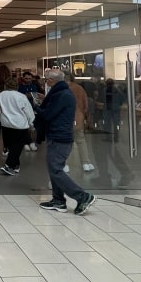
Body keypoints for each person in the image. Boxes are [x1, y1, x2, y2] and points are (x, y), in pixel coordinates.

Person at [37, 69, 96, 215]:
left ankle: (83, 197)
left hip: (60, 137)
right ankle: (58, 200)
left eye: (47, 79)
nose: (46, 82)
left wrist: (34, 105)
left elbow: (48, 114)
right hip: (58, 135)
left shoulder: (62, 94)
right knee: (54, 168)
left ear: (52, 80)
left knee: (56, 169)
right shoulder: (61, 93)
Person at [0, 78, 35, 175]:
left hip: (5, 124)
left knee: (11, 145)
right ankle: (9, 166)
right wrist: (32, 123)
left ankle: (16, 165)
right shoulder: (21, 96)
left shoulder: (1, 95)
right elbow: (29, 112)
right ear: (17, 87)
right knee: (17, 146)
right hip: (20, 125)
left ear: (5, 86)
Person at [66, 73, 94, 172]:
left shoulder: (62, 89)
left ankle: (65, 164)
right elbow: (86, 104)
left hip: (66, 119)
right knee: (81, 141)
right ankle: (86, 163)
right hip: (78, 118)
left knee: (66, 142)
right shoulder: (79, 88)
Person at [18, 71, 42, 151]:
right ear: (23, 78)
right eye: (26, 78)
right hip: (22, 110)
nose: (28, 80)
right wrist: (30, 95)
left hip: (32, 109)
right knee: (25, 127)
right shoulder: (20, 87)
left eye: (30, 79)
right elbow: (21, 97)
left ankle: (30, 142)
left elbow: (35, 97)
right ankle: (27, 143)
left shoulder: (34, 86)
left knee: (32, 127)